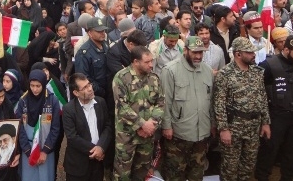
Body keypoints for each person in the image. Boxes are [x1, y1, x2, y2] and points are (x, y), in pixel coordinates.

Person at [213, 37, 271, 181]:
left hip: (253, 126)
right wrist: (223, 129)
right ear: (238, 54)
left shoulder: (257, 72)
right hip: (234, 127)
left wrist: (265, 122)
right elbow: (219, 103)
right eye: (250, 53)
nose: (254, 55)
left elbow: (262, 97)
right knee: (230, 169)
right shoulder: (225, 74)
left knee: (248, 166)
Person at [160, 36, 214, 181]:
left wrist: (213, 125)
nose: (198, 56)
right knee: (175, 175)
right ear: (185, 50)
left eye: (201, 53)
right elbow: (165, 102)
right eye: (194, 52)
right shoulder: (170, 70)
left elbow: (211, 102)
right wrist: (166, 126)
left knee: (197, 174)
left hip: (202, 134)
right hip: (179, 134)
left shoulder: (208, 71)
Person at [255, 36, 293, 181]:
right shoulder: (269, 65)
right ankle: (262, 176)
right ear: (286, 49)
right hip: (276, 114)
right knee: (269, 150)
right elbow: (258, 90)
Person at [112, 45, 164, 181]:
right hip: (127, 136)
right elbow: (122, 107)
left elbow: (160, 103)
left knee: (141, 173)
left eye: (151, 61)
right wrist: (142, 124)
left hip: (147, 136)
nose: (151, 65)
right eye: (147, 62)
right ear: (136, 62)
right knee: (122, 174)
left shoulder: (154, 78)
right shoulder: (121, 78)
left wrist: (152, 125)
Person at [62, 73, 112, 181]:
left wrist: (101, 147)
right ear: (75, 92)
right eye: (84, 87)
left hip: (98, 164)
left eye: (89, 84)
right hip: (78, 166)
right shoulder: (68, 110)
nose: (90, 89)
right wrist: (95, 150)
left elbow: (108, 127)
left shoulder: (101, 102)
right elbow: (72, 137)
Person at [15, 69, 60, 181]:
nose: (35, 89)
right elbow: (19, 128)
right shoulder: (23, 101)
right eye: (32, 85)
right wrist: (28, 152)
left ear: (44, 84)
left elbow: (55, 128)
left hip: (45, 148)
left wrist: (45, 151)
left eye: (38, 86)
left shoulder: (52, 101)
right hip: (28, 149)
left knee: (45, 176)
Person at [74, 17, 109, 98]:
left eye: (103, 30)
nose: (102, 33)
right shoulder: (83, 53)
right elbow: (83, 77)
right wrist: (100, 91)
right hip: (96, 94)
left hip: (109, 91)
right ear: (90, 33)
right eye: (98, 31)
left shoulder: (105, 45)